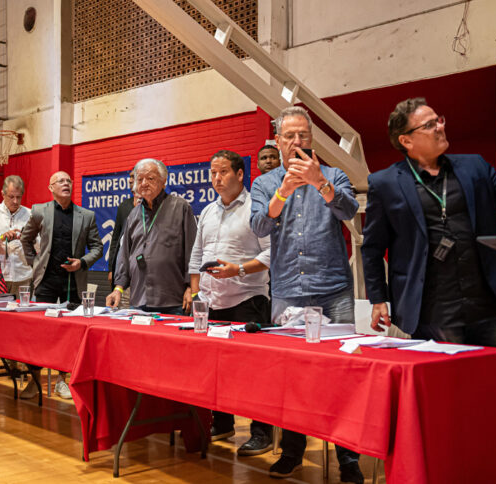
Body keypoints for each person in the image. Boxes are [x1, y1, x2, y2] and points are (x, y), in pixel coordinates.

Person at [362, 97, 496, 347]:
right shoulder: (385, 183)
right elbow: (373, 248)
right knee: (447, 385)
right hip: (432, 313)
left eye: (438, 120)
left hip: (488, 309)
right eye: (429, 125)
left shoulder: (474, 167)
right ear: (406, 140)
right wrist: (378, 299)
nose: (440, 127)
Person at [249, 106, 363, 483]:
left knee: (342, 375)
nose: (297, 142)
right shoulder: (265, 183)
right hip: (287, 292)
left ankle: (348, 459)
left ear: (311, 139)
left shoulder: (332, 174)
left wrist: (320, 184)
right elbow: (259, 225)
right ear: (277, 142)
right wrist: (282, 192)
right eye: (290, 136)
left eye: (303, 136)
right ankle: (293, 451)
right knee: (291, 377)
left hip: (333, 288)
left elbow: (349, 209)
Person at [187, 149, 273, 456]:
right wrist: (196, 293)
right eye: (212, 173)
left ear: (240, 174)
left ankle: (262, 432)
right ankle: (221, 422)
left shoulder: (256, 209)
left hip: (248, 299)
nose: (216, 178)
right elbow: (196, 256)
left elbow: (271, 253)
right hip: (212, 301)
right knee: (216, 367)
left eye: (223, 172)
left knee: (254, 371)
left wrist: (238, 269)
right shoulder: (208, 211)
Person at [20, 171, 103, 399]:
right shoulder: (39, 211)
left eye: (69, 181)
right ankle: (34, 381)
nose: (66, 184)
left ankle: (62, 380)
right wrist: (35, 263)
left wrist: (82, 262)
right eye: (61, 181)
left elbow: (97, 247)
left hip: (73, 283)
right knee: (40, 332)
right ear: (51, 187)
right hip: (46, 281)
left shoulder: (86, 215)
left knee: (70, 334)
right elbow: (25, 239)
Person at [106, 159, 197, 314]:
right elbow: (125, 254)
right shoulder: (133, 215)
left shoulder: (180, 207)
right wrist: (118, 288)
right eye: (139, 179)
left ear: (163, 181)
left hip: (172, 299)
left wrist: (191, 288)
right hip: (139, 299)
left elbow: (193, 250)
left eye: (150, 178)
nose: (144, 183)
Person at [106, 169, 140, 307]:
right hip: (123, 269)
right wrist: (111, 269)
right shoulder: (124, 206)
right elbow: (116, 240)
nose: (130, 180)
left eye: (133, 176)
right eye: (129, 177)